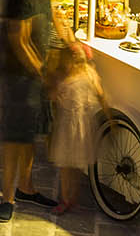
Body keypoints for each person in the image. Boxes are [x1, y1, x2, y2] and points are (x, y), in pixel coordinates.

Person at [0, 0, 60, 221]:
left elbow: (55, 15)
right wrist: (42, 74)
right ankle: (7, 198)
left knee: (30, 135)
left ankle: (26, 187)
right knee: (15, 137)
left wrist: (73, 43)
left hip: (37, 76)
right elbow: (19, 43)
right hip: (18, 79)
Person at [45, 42, 110, 215]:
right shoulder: (90, 74)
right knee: (74, 167)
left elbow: (52, 96)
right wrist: (108, 116)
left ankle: (66, 199)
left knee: (67, 167)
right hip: (82, 127)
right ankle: (71, 197)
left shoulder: (65, 78)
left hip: (68, 128)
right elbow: (101, 95)